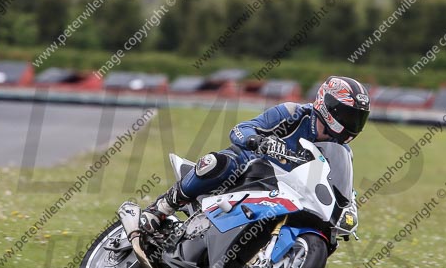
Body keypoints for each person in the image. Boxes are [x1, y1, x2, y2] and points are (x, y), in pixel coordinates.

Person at [139, 76, 371, 234]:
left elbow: (341, 187)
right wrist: (259, 141)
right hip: (250, 171)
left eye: (358, 119)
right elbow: (240, 129)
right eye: (349, 116)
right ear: (328, 106)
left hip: (285, 195)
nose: (353, 125)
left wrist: (349, 206)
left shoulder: (341, 152)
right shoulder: (292, 114)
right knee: (220, 163)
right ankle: (161, 207)